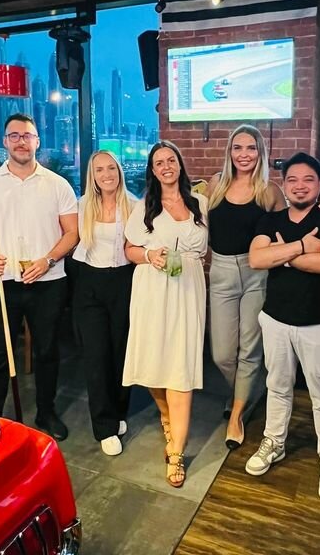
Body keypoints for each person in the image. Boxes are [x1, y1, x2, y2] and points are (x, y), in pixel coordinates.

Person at [0, 113, 78, 441]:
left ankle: (46, 412)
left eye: (27, 135)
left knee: (47, 352)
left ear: (37, 141)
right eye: (14, 136)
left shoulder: (58, 185)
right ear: (5, 142)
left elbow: (72, 232)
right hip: (0, 283)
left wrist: (48, 260)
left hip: (48, 282)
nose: (21, 141)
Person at [245, 152, 320, 502]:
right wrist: (305, 247)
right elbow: (257, 258)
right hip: (275, 319)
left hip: (318, 324)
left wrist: (285, 256)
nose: (300, 185)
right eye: (292, 179)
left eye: (308, 179)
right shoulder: (270, 219)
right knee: (277, 386)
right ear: (284, 185)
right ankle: (274, 442)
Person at [123, 140, 208, 488]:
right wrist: (149, 256)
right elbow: (129, 249)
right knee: (153, 360)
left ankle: (177, 452)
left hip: (188, 287)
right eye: (159, 162)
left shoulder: (200, 203)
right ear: (153, 170)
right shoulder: (144, 206)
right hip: (152, 287)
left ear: (179, 164)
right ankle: (166, 415)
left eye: (171, 160)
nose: (166, 166)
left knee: (181, 364)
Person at [207, 124, 286, 449]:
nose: (244, 154)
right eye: (237, 148)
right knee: (222, 354)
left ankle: (237, 413)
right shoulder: (215, 184)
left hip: (257, 274)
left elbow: (291, 227)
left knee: (250, 350)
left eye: (251, 148)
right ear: (230, 152)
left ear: (260, 152)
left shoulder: (269, 191)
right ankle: (249, 391)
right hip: (221, 272)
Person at [72, 150, 134, 456]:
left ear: (119, 171)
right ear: (92, 176)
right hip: (89, 283)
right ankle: (104, 426)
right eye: (99, 170)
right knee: (96, 356)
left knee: (121, 354)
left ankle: (118, 410)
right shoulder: (82, 205)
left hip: (124, 282)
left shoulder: (134, 205)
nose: (106, 174)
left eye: (111, 168)